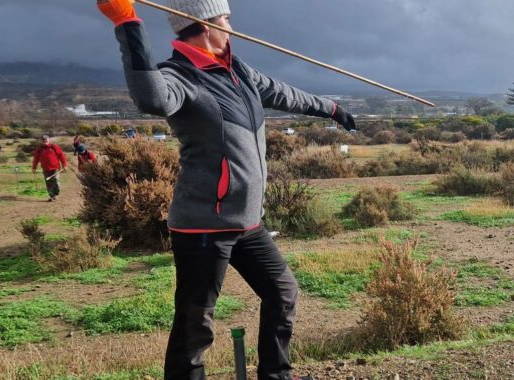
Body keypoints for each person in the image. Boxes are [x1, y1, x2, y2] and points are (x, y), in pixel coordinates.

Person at [98, 0, 355, 378]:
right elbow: (152, 98)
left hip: (247, 223)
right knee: (195, 320)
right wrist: (128, 23)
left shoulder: (238, 71)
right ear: (203, 24)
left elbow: (285, 94)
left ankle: (275, 375)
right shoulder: (181, 75)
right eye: (226, 19)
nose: (231, 27)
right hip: (203, 225)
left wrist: (331, 109)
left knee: (283, 293)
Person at [30, 135, 68, 202]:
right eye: (43, 140)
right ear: (41, 141)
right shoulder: (39, 149)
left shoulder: (54, 147)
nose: (45, 141)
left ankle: (56, 193)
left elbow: (61, 156)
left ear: (49, 140)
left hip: (55, 168)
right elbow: (35, 159)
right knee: (48, 183)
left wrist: (64, 165)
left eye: (46, 139)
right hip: (45, 169)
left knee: (55, 180)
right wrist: (34, 167)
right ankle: (52, 196)